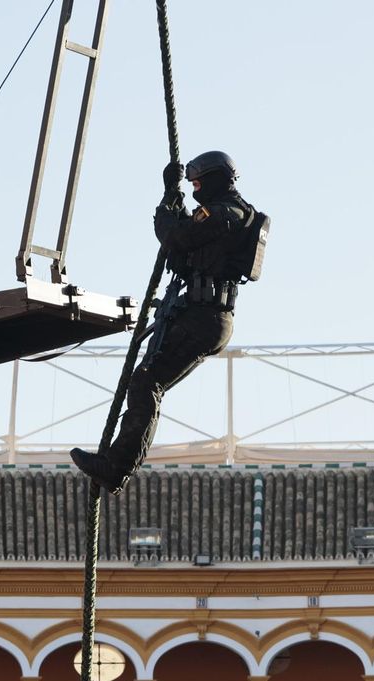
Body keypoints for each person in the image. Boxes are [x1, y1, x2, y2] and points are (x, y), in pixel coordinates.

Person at [70, 150, 267, 493]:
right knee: (146, 380)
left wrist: (167, 197)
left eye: (197, 184)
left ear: (216, 180)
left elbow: (174, 236)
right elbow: (185, 243)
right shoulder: (230, 212)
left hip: (204, 317)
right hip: (201, 314)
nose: (194, 190)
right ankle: (117, 464)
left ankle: (116, 467)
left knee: (147, 382)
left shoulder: (226, 213)